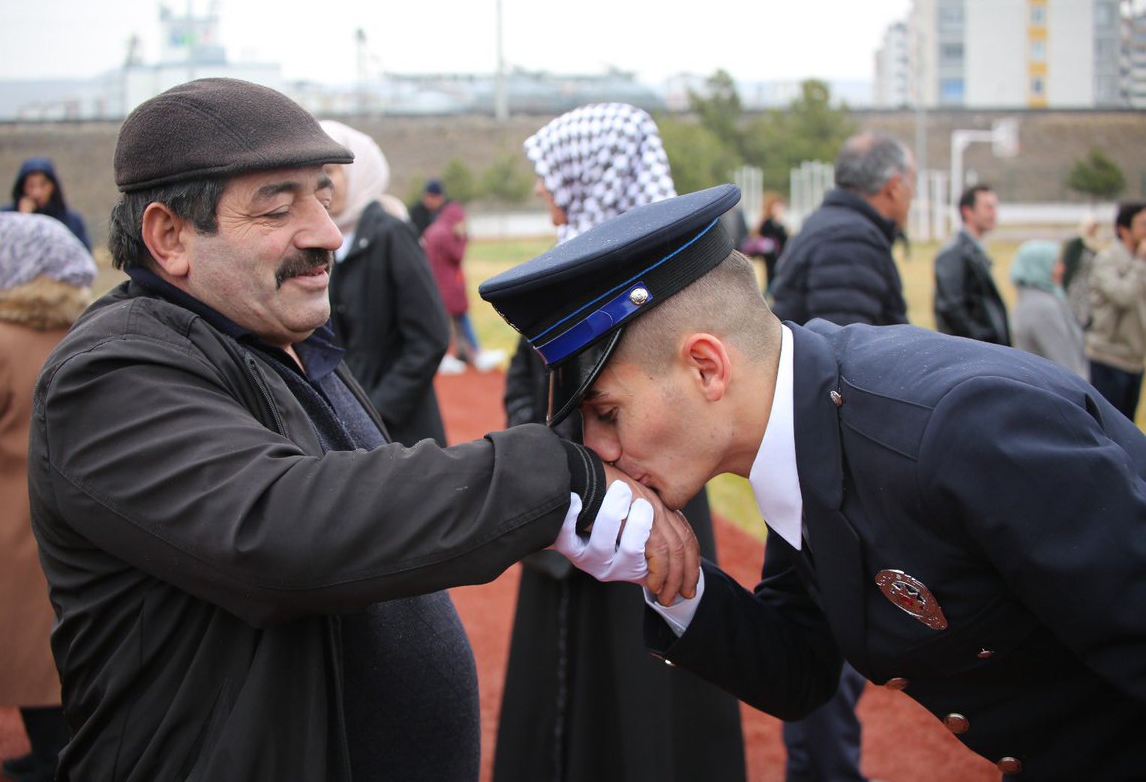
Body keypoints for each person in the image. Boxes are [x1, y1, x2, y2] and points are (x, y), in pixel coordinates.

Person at [26, 77, 700, 781]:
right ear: (170, 236)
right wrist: (558, 473)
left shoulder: (281, 337)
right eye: (278, 207)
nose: (325, 232)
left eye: (322, 195)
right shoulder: (109, 375)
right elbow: (278, 530)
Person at [480, 184, 1146, 781]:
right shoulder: (803, 422)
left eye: (606, 413)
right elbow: (800, 670)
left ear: (708, 368)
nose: (599, 450)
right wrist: (667, 579)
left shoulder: (958, 433)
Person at [493, 102, 746, 782]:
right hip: (572, 507)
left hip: (655, 501)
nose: (543, 192)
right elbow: (526, 387)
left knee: (648, 691)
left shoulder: (673, 278)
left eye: (552, 175)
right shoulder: (555, 268)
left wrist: (625, 477)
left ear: (589, 174)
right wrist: (555, 458)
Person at [767, 132, 915, 782]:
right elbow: (846, 376)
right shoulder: (850, 241)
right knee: (826, 641)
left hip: (807, 471)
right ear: (892, 187)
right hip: (825, 482)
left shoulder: (834, 230)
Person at [0, 211, 97, 782]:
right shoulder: (76, 332)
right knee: (44, 658)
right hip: (48, 517)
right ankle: (45, 754)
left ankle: (48, 760)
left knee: (18, 656)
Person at [318, 119, 450, 446]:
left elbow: (429, 335)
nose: (322, 185)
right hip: (341, 429)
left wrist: (378, 409)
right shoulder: (316, 243)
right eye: (313, 175)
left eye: (331, 172)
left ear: (357, 172)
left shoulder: (391, 235)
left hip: (400, 434)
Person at [770, 134, 912, 328]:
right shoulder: (850, 239)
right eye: (912, 184)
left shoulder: (829, 223)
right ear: (894, 187)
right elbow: (844, 343)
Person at [422, 193, 504, 373]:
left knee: (448, 322)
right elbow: (457, 255)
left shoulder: (434, 229)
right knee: (458, 320)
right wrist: (463, 237)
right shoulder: (446, 233)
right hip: (449, 284)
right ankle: (468, 355)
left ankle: (459, 354)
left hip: (438, 283)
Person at [1083, 201, 1146, 422]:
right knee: (1108, 428)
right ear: (1123, 229)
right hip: (1108, 358)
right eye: (1142, 224)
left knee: (1129, 429)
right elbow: (1123, 296)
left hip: (1135, 359)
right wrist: (1139, 262)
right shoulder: (1107, 260)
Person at [933, 184, 1010, 345]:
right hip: (973, 354)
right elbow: (951, 309)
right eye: (988, 207)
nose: (993, 213)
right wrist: (980, 343)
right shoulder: (953, 254)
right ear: (967, 211)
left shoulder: (975, 251)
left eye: (995, 207)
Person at [1009, 239, 1087, 378]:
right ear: (1038, 267)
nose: (1062, 268)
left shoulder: (1031, 299)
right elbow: (1066, 366)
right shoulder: (1042, 308)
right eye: (1055, 263)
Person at [0, 157, 91, 250]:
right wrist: (23, 220)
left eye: (43, 185)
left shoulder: (71, 221)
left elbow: (83, 256)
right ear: (22, 187)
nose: (37, 192)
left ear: (53, 186)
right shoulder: (6, 217)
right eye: (31, 185)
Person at [1060, 215, 1100, 328]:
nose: (1093, 230)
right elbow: (1067, 265)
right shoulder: (1076, 244)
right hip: (1076, 287)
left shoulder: (1095, 244)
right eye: (1091, 227)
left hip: (1089, 286)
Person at [756, 192, 789, 292]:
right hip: (770, 257)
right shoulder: (768, 223)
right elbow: (764, 235)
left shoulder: (780, 223)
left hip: (779, 256)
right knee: (771, 279)